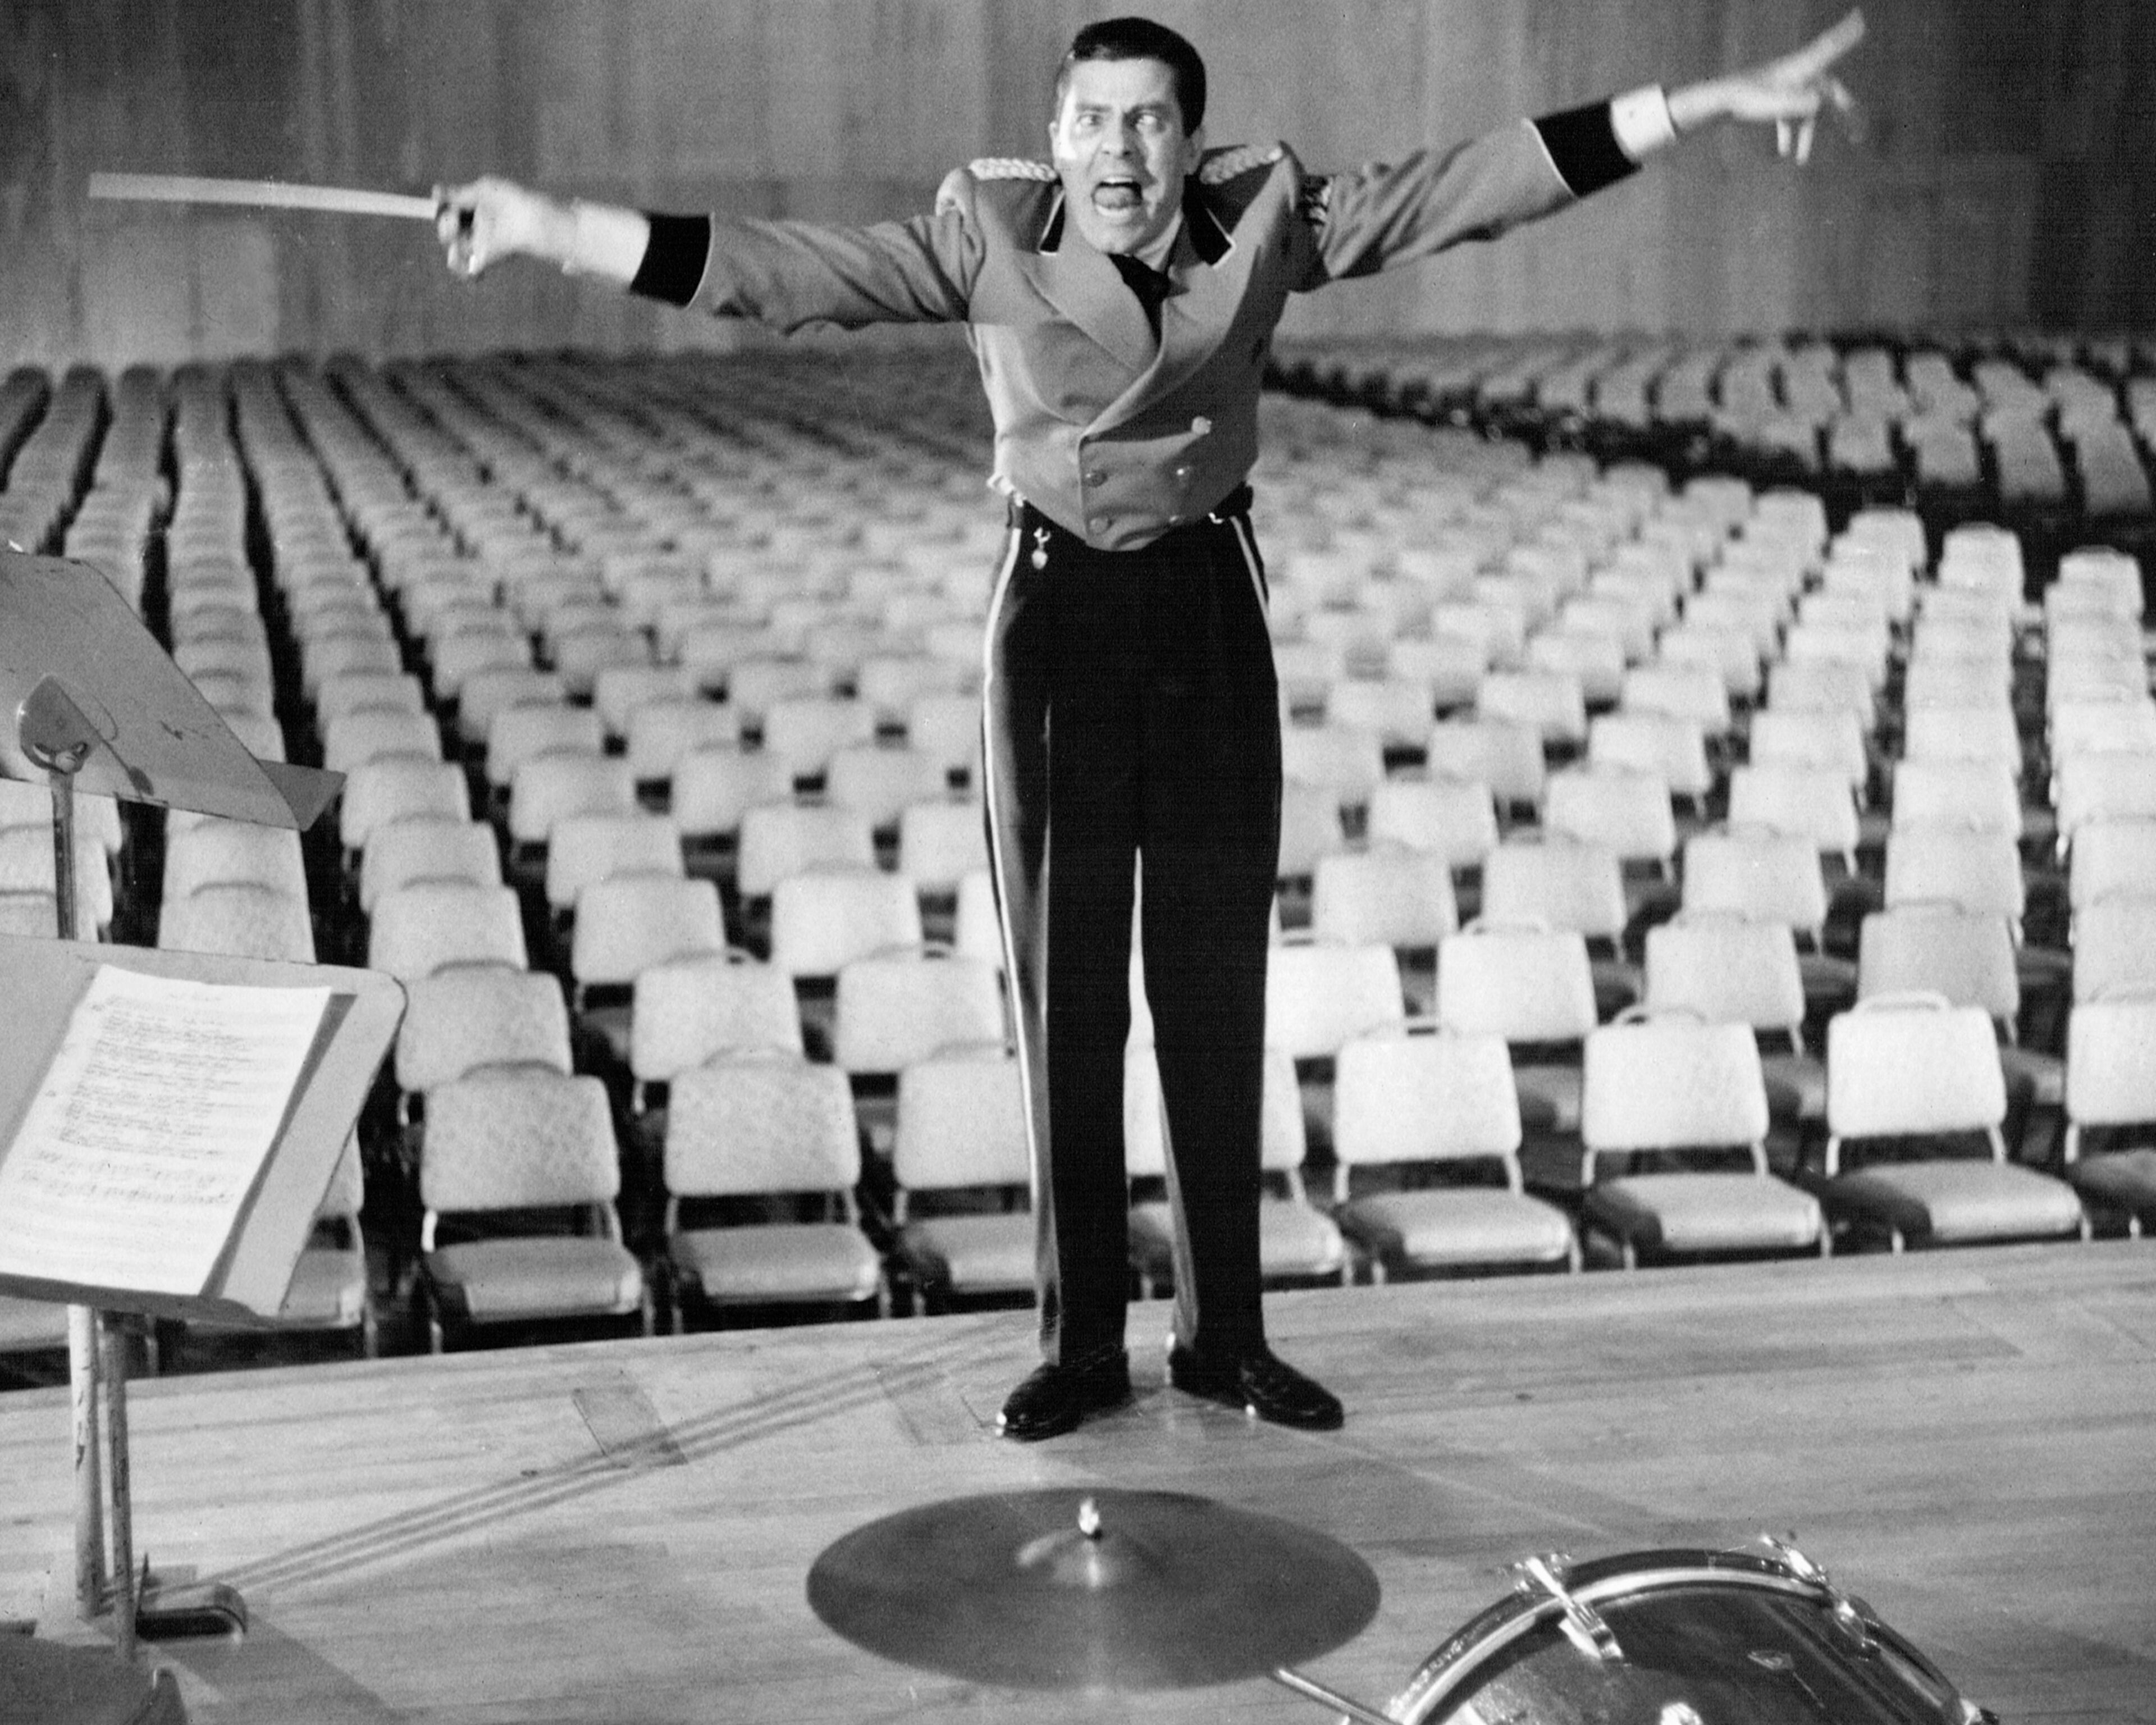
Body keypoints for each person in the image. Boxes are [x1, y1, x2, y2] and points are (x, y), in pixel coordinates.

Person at [436, 11, 1864, 1442]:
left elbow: (1468, 189)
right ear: (1054, 137)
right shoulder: (985, 229)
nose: (1119, 149)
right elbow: (776, 273)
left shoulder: (1264, 217)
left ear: (1193, 139)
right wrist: (546, 222)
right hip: (1056, 613)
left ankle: (1225, 1339)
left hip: (1205, 610)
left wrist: (1704, 103)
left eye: (1149, 121)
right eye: (1092, 120)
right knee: (1070, 1004)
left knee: (1213, 991)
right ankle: (1079, 1344)